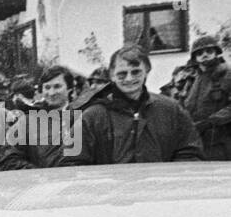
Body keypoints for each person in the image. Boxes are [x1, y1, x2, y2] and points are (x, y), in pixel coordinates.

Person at [60, 44, 203, 165]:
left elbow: (190, 153)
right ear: (112, 75)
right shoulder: (92, 116)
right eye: (122, 74)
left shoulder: (171, 110)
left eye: (136, 72)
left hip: (158, 193)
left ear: (146, 71)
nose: (129, 79)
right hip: (111, 195)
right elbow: (71, 163)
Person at [183, 35, 231, 162]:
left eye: (209, 51)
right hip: (196, 141)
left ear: (216, 53)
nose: (204, 55)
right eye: (199, 53)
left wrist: (210, 122)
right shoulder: (191, 79)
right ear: (195, 58)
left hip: (221, 141)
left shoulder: (227, 75)